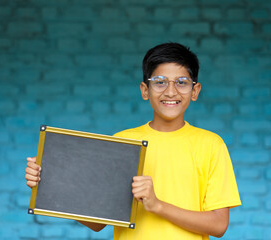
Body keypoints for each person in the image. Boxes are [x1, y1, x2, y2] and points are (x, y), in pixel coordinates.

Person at [25, 42, 241, 239]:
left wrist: (157, 206)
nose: (171, 91)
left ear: (195, 91)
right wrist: (50, 182)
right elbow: (97, 224)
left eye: (182, 82)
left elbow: (219, 225)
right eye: (160, 82)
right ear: (145, 90)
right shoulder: (123, 143)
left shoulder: (211, 145)